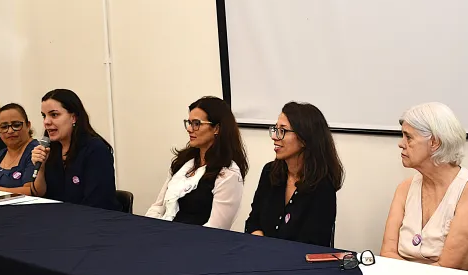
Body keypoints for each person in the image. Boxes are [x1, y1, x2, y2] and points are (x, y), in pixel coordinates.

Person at [380, 103, 468, 272]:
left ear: (434, 142)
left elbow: (449, 270)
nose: (401, 143)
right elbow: (387, 253)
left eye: (409, 137)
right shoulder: (404, 188)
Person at [245, 102, 343, 246]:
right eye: (275, 129)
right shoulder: (269, 172)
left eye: (283, 130)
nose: (274, 137)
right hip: (261, 257)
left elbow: (314, 245)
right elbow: (253, 222)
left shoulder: (322, 186)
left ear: (304, 139)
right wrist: (261, 244)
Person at [146, 96, 248, 228]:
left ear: (216, 128)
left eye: (196, 123)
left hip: (197, 244)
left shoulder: (228, 174)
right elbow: (159, 206)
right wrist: (149, 229)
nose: (189, 129)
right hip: (165, 235)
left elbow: (216, 228)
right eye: (189, 123)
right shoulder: (183, 163)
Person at [29, 89, 119, 210]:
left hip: (91, 222)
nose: (46, 122)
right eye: (44, 116)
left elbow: (98, 203)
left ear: (74, 117)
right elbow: (41, 195)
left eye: (54, 115)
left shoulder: (95, 150)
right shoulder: (51, 148)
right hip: (58, 220)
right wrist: (41, 168)